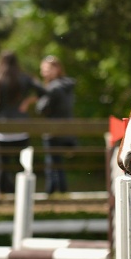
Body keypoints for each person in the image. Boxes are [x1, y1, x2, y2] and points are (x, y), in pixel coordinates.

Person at [0, 51, 37, 193]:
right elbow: (43, 91)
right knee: (23, 163)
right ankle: (24, 192)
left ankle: (1, 193)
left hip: (2, 131)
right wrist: (27, 101)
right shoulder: (25, 78)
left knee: (2, 164)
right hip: (21, 129)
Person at [35, 55, 77, 194]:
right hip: (67, 129)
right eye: (43, 70)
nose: (44, 73)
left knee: (52, 162)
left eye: (47, 69)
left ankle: (52, 190)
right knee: (57, 161)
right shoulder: (67, 85)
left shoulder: (53, 87)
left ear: (57, 69)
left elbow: (41, 109)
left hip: (53, 129)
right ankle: (62, 189)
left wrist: (40, 97)